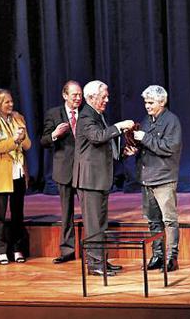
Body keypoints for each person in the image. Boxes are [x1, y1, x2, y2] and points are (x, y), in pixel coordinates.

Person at [72, 80, 134, 276]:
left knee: (101, 224)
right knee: (93, 225)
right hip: (89, 180)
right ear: (91, 97)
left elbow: (103, 147)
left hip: (99, 179)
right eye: (103, 96)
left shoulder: (98, 115)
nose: (107, 99)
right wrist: (119, 127)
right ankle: (95, 265)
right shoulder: (85, 116)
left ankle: (101, 261)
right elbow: (97, 137)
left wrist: (123, 152)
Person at [124, 85, 182, 272]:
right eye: (146, 103)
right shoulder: (147, 120)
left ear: (162, 102)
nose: (147, 106)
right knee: (153, 220)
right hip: (147, 178)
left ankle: (171, 257)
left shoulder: (172, 121)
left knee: (169, 220)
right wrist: (135, 148)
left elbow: (169, 147)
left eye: (151, 103)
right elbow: (146, 145)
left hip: (164, 178)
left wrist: (145, 138)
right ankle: (157, 255)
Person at [0, 89, 32, 265]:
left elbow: (27, 145)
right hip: (1, 175)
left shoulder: (18, 118)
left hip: (18, 173)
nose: (11, 105)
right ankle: (1, 250)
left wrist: (22, 135)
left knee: (18, 214)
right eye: (6, 102)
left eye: (11, 101)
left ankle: (18, 249)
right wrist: (14, 140)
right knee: (0, 215)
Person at [40, 80, 83, 264]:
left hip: (84, 169)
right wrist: (55, 134)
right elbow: (43, 140)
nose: (78, 98)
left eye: (80, 95)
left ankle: (93, 251)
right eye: (74, 95)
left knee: (90, 212)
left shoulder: (87, 113)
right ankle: (67, 250)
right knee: (67, 213)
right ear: (65, 95)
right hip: (64, 169)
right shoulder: (54, 113)